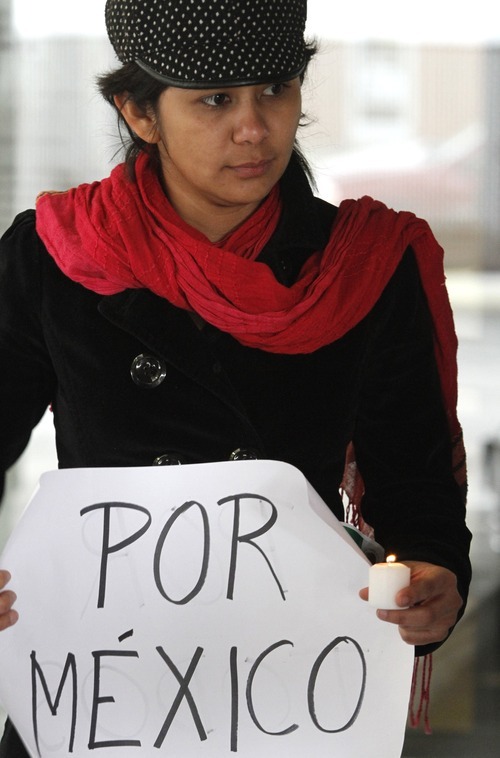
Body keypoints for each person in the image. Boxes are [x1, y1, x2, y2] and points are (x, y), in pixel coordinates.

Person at [0, 0, 471, 753]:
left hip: (297, 687)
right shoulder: (56, 254)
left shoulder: (364, 264)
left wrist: (433, 579)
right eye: (215, 100)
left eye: (276, 90)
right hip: (97, 687)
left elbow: (414, 486)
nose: (255, 129)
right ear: (139, 111)